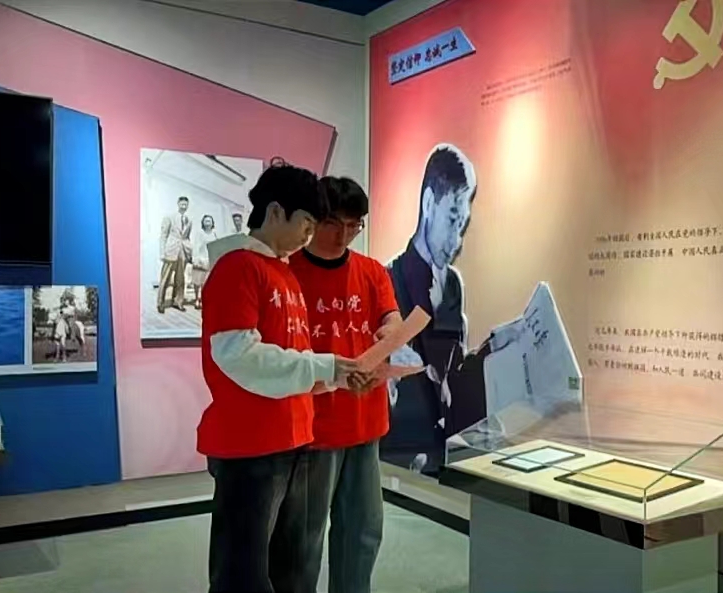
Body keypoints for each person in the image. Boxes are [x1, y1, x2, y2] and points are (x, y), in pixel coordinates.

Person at [197, 162, 363, 593]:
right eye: (307, 222)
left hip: (294, 438)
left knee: (291, 566)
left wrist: (335, 376)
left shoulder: (284, 272)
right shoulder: (237, 267)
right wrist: (323, 367)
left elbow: (293, 356)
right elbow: (239, 356)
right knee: (243, 571)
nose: (310, 234)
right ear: (275, 212)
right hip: (250, 444)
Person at [289, 176, 401, 593]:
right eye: (334, 223)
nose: (343, 235)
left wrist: (390, 334)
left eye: (354, 226)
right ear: (313, 219)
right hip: (313, 429)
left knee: (363, 531)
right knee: (305, 538)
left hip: (365, 422)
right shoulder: (288, 273)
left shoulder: (372, 272)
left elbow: (390, 318)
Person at [382, 144, 519, 476]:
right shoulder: (387, 281)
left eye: (463, 223)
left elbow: (454, 371)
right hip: (400, 458)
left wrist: (495, 347)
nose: (457, 239)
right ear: (429, 203)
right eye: (452, 219)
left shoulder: (453, 284)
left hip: (447, 452)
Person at [157, 196, 192, 314]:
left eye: (186, 204)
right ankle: (160, 303)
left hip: (182, 252)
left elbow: (187, 237)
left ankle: (178, 301)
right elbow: (163, 235)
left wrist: (189, 251)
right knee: (165, 278)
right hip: (171, 251)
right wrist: (162, 252)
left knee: (180, 278)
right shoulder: (169, 217)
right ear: (178, 204)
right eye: (182, 204)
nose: (184, 206)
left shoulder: (189, 220)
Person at [191, 214, 218, 309]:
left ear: (212, 223)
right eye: (206, 221)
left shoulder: (214, 234)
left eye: (209, 221)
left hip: (210, 260)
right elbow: (196, 247)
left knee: (206, 282)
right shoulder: (200, 233)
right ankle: (196, 299)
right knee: (197, 281)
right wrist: (195, 259)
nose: (208, 223)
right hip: (200, 259)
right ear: (203, 222)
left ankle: (203, 299)